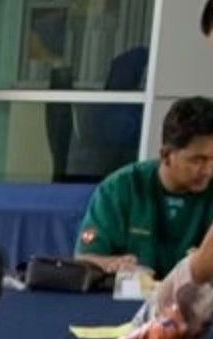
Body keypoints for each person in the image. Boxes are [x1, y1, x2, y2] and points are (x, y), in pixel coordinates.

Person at [75, 96, 213, 278]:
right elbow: (84, 258)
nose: (208, 170)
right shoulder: (120, 188)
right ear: (166, 155)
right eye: (198, 160)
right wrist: (112, 264)